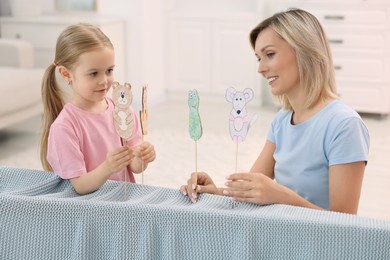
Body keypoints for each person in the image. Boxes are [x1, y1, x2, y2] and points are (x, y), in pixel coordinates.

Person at [180, 8, 370, 214]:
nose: (261, 68)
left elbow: (346, 224)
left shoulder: (345, 125)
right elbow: (251, 192)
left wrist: (281, 196)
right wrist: (214, 192)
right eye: (258, 58)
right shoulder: (281, 121)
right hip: (280, 237)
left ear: (304, 51)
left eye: (269, 54)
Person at [40, 23, 156, 195]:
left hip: (124, 201)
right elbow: (80, 185)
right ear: (66, 74)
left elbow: (135, 167)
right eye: (94, 73)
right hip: (92, 209)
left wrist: (142, 157)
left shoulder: (122, 111)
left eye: (109, 70)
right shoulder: (64, 127)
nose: (104, 81)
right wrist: (108, 168)